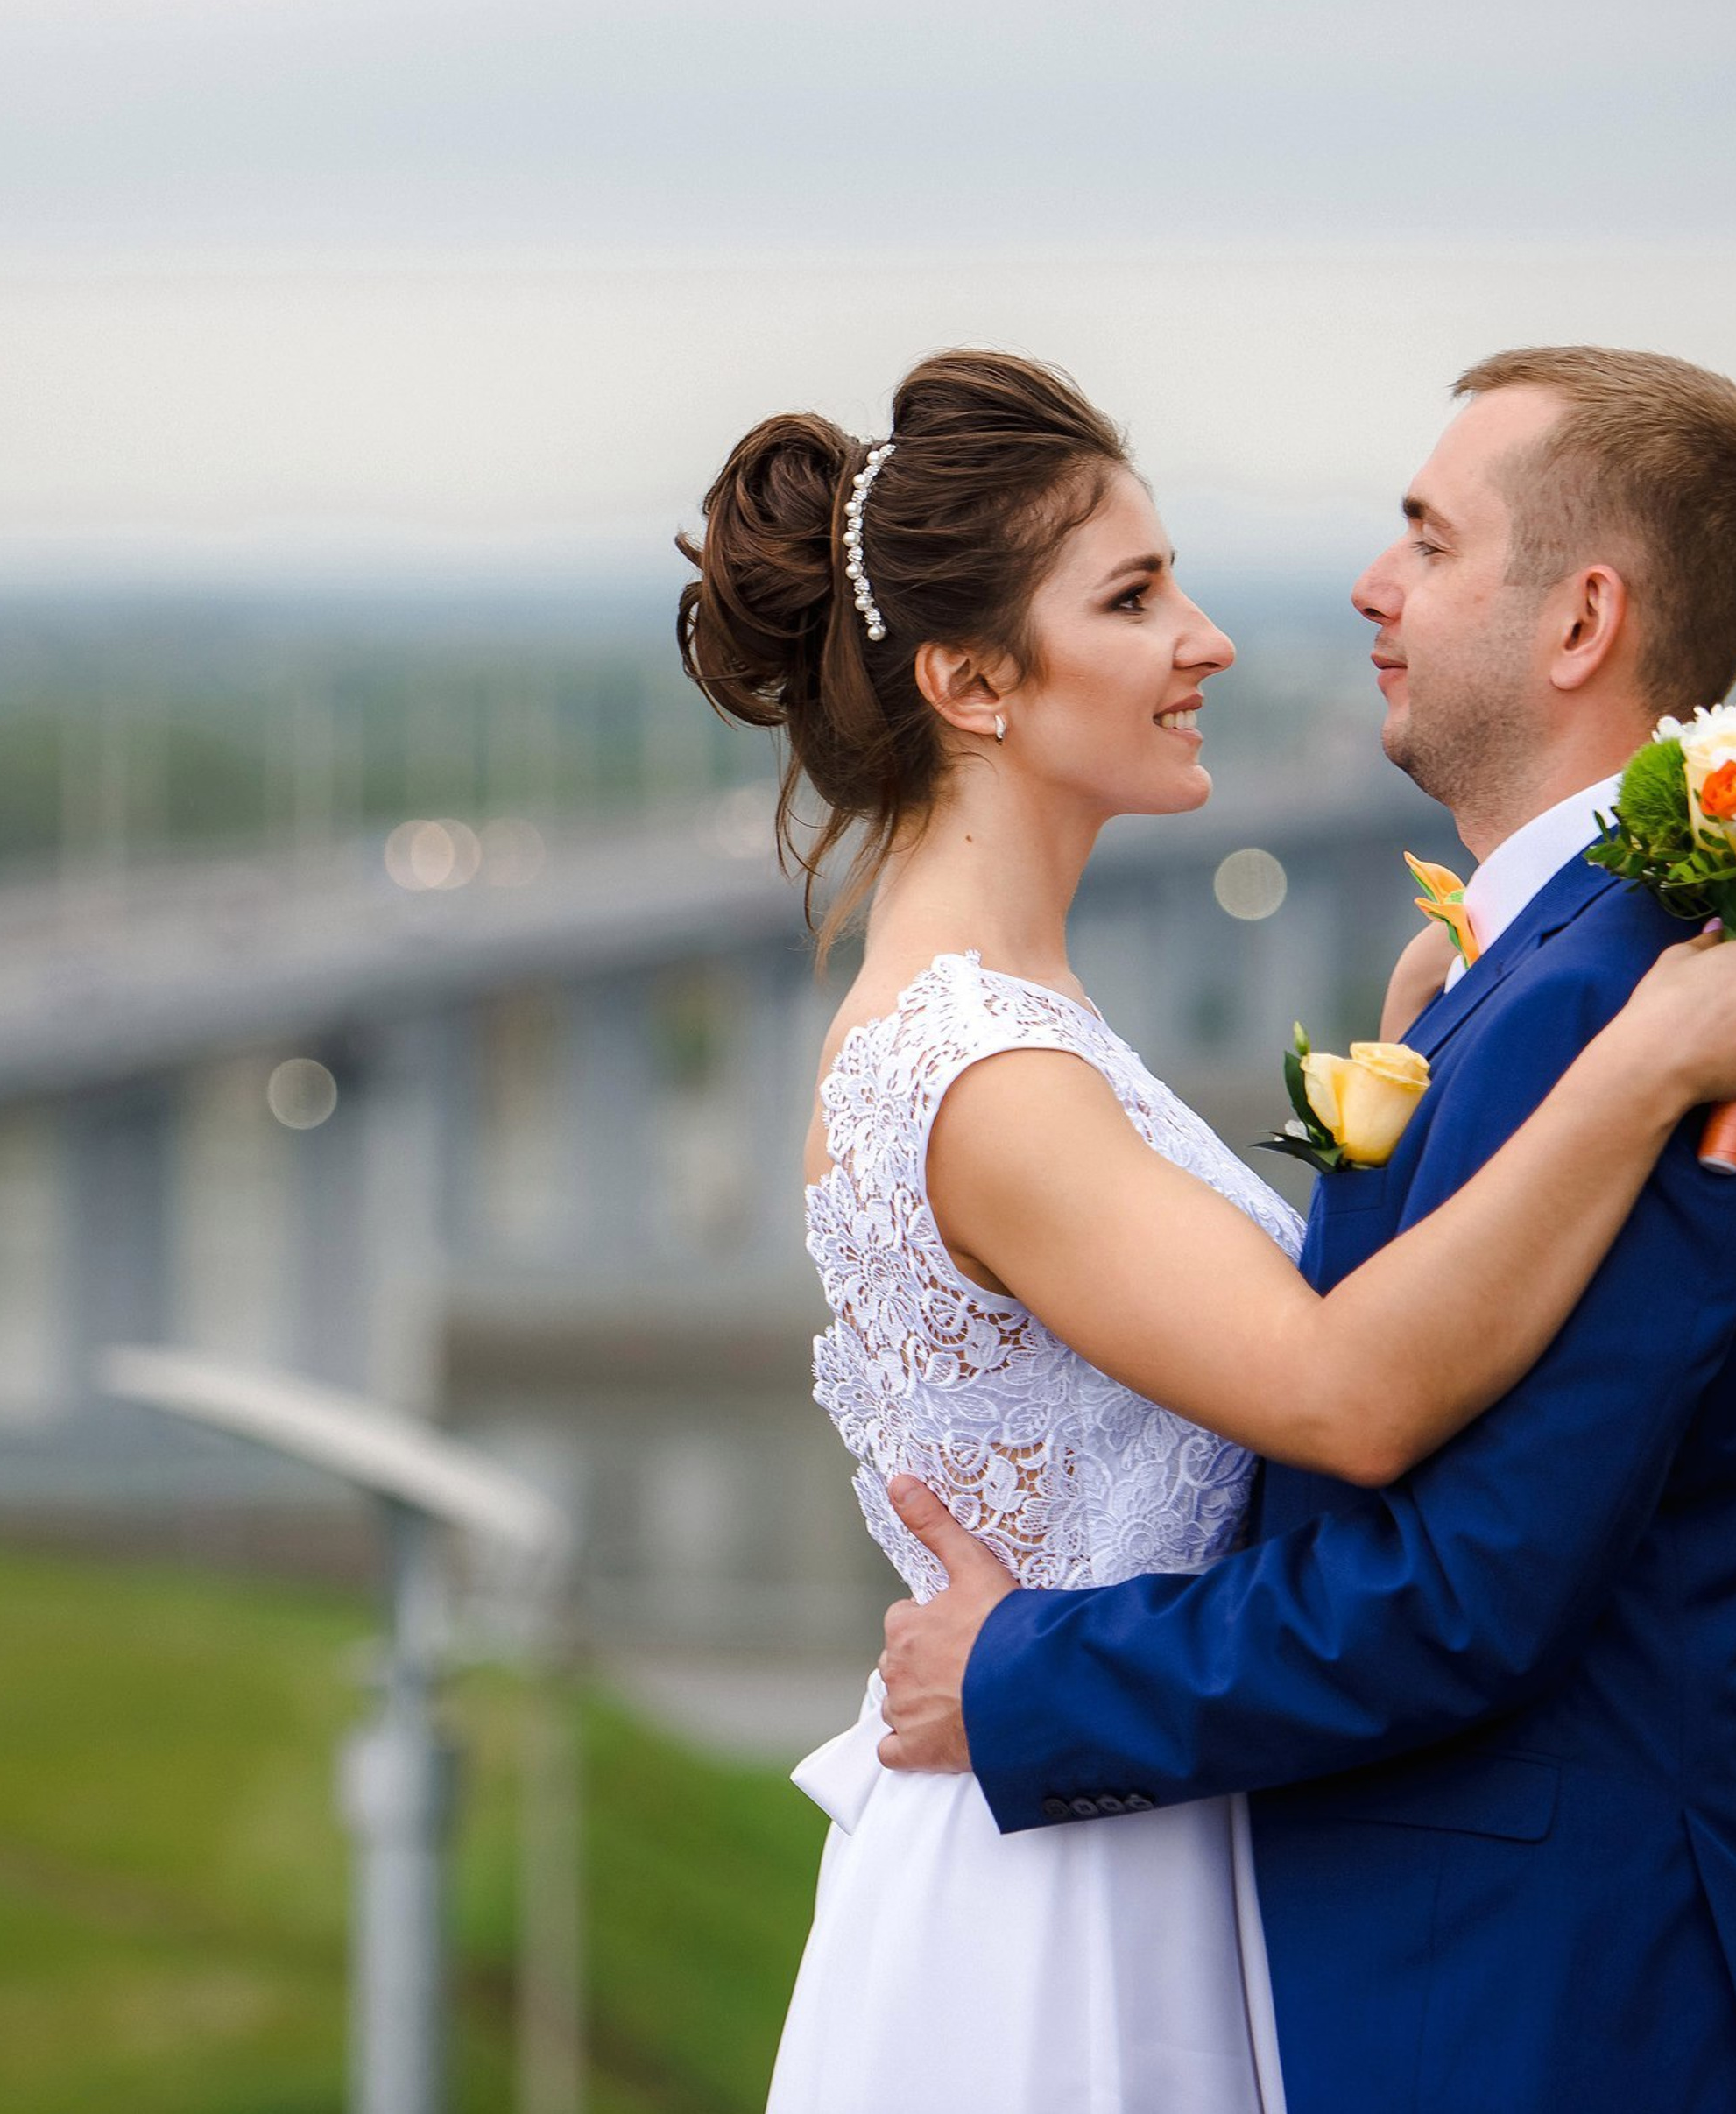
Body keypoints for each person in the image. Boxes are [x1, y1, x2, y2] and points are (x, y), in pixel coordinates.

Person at [674, 349, 1736, 2112]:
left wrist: (1434, 1047)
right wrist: (1629, 1071)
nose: (1209, 637)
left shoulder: (1033, 1029)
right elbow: (1340, 1393)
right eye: (1131, 594)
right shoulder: (979, 1074)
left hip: (1165, 1830)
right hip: (1064, 1886)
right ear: (968, 681)